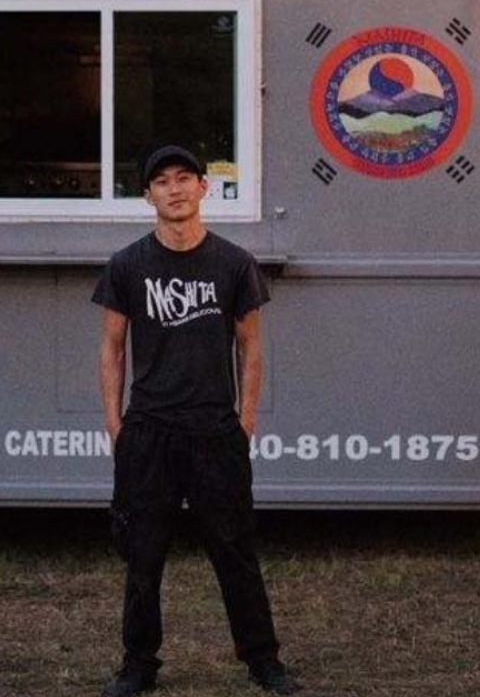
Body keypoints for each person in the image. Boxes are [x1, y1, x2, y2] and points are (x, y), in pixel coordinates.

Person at [91, 145, 301, 696]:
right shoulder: (127, 265)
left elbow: (251, 351)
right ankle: (138, 665)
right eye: (162, 181)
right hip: (149, 433)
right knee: (143, 556)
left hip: (215, 433)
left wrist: (245, 423)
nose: (175, 188)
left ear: (204, 188)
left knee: (235, 552)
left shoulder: (233, 264)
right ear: (148, 196)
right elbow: (112, 350)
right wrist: (117, 428)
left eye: (185, 178)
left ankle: (264, 661)